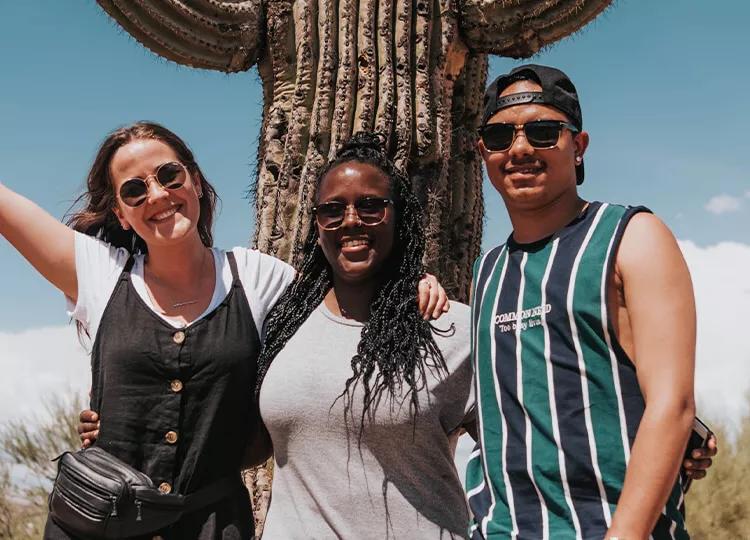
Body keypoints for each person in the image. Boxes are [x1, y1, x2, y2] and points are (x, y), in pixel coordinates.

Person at [0, 122, 446, 539]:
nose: (157, 195)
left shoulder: (257, 277)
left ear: (194, 179)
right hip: (95, 523)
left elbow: (347, 293)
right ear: (119, 213)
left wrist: (408, 282)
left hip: (211, 525)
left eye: (169, 175)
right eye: (134, 190)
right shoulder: (99, 274)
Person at [465, 64, 715, 540]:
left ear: (577, 147)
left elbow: (673, 404)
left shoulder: (631, 237)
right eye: (499, 137)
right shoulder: (488, 271)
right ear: (483, 152)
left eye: (542, 132)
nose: (519, 149)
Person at [252, 132, 474, 538]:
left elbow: (520, 458)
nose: (351, 220)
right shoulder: (281, 322)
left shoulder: (454, 330)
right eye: (332, 210)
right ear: (316, 224)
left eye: (370, 206)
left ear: (399, 215)